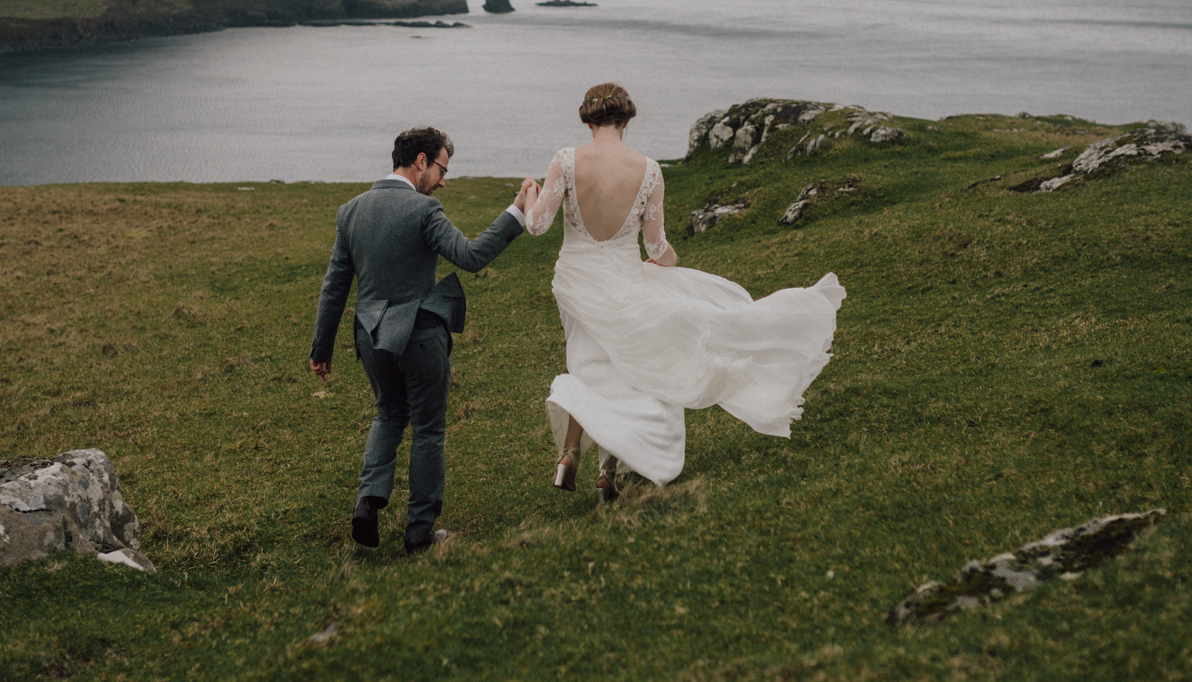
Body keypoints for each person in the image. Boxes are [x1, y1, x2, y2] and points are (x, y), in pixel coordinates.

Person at [520, 83, 845, 500]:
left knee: (588, 366)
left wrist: (529, 196)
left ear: (587, 119)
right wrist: (668, 269)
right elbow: (656, 248)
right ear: (627, 120)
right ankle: (607, 472)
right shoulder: (649, 170)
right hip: (623, 280)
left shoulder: (566, 161)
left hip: (576, 281)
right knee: (629, 369)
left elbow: (537, 225)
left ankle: (569, 454)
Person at [310, 127, 535, 553]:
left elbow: (334, 286)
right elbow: (470, 257)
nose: (443, 180)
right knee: (428, 429)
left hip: (370, 339)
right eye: (441, 169)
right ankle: (419, 534)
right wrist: (518, 210)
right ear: (420, 161)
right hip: (419, 336)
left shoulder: (350, 211)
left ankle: (367, 501)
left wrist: (321, 350)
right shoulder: (424, 212)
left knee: (389, 415)